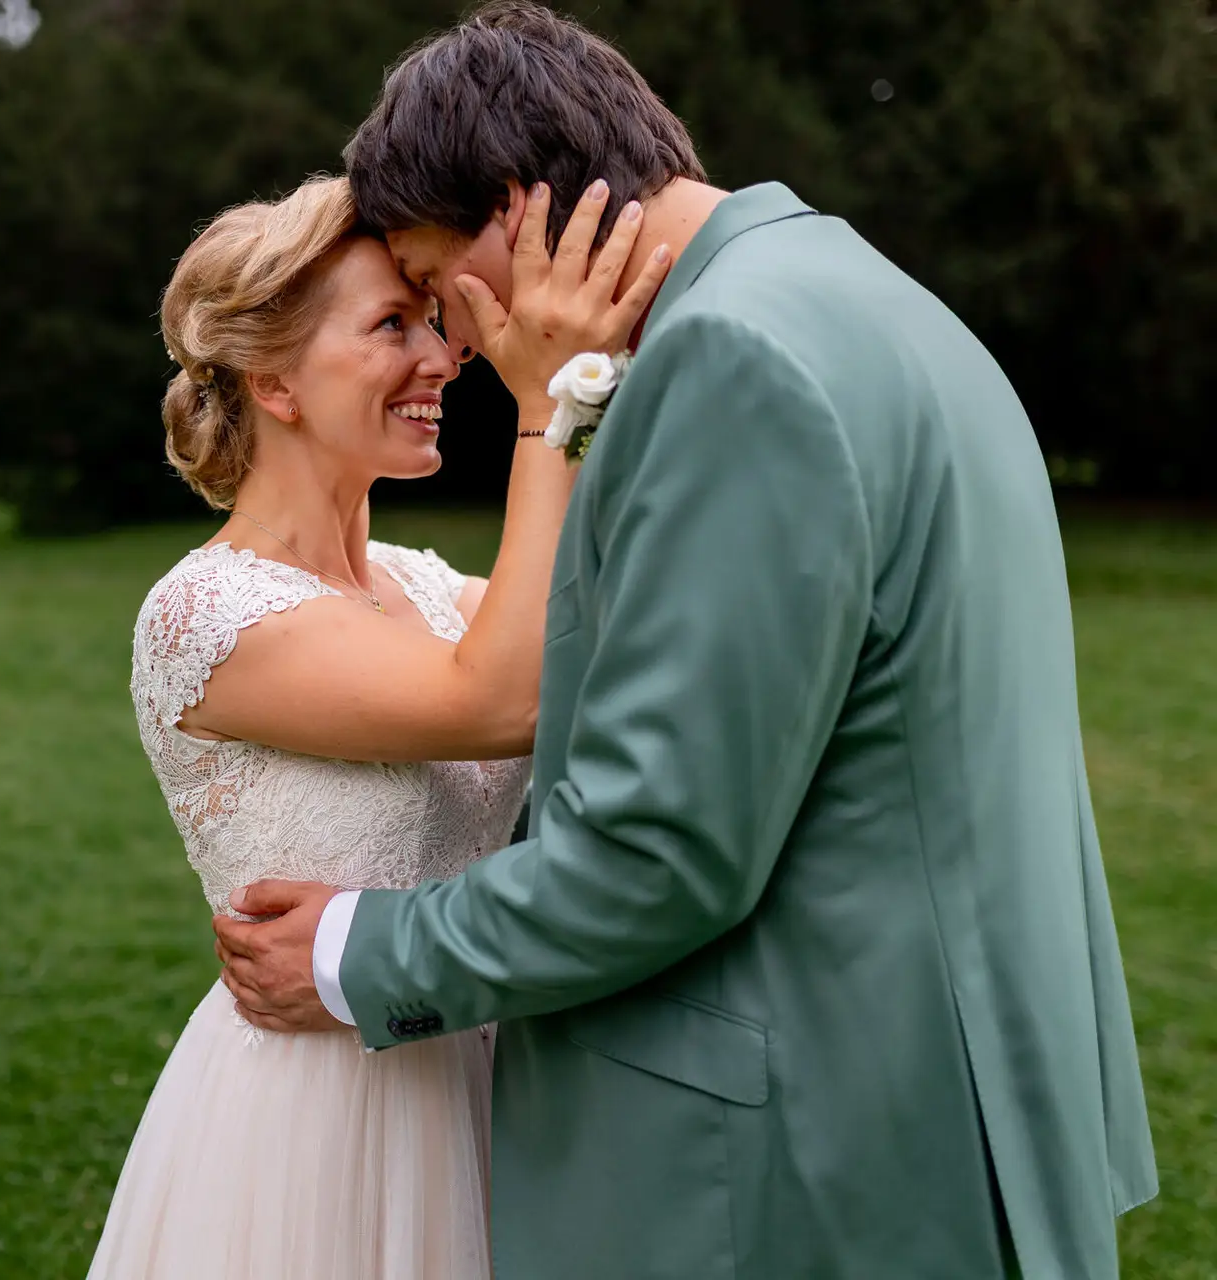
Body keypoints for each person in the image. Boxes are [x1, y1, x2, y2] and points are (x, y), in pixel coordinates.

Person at [215, 3, 1158, 1278]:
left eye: (440, 287)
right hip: (961, 1082)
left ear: (517, 211)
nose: (461, 344)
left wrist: (351, 951)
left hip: (811, 1149)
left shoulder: (728, 363)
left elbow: (659, 849)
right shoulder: (870, 296)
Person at [87, 172, 668, 1279]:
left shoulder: (426, 586)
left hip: (490, 1084)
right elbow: (502, 699)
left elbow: (601, 631)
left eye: (432, 322)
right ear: (275, 381)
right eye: (393, 325)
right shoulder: (208, 614)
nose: (444, 357)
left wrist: (611, 387)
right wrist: (551, 405)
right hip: (323, 1123)